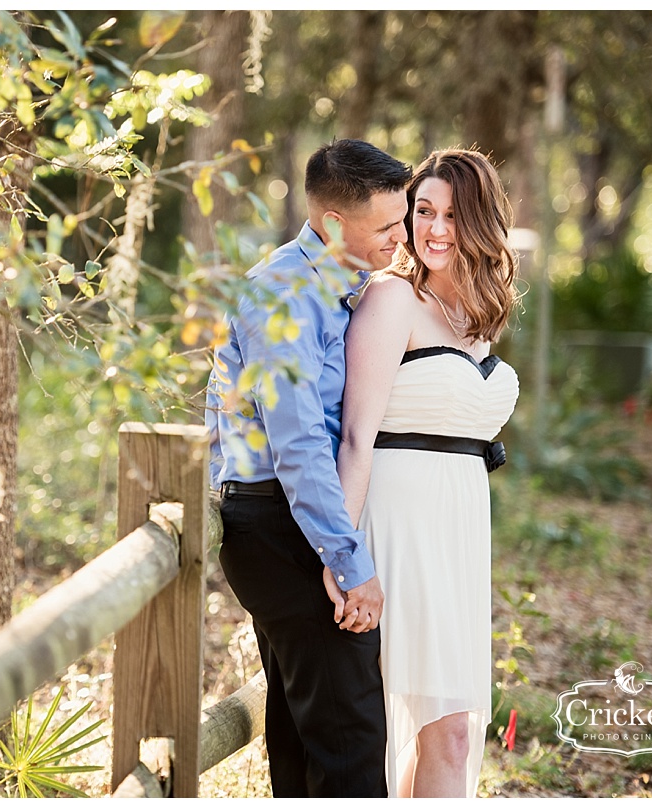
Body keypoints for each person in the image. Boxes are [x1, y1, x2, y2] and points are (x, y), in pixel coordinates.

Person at [204, 138, 412, 797]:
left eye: (402, 220)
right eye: (387, 227)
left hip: (286, 519)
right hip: (277, 522)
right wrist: (351, 566)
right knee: (350, 745)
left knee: (303, 738)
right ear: (331, 225)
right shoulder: (288, 293)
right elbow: (296, 445)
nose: (401, 239)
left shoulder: (331, 287)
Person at [336, 148, 521, 798]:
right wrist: (344, 555)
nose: (435, 228)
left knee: (457, 731)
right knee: (415, 725)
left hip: (461, 532)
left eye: (452, 214)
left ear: (481, 224)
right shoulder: (391, 299)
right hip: (397, 523)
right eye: (424, 211)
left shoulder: (479, 322)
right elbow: (356, 435)